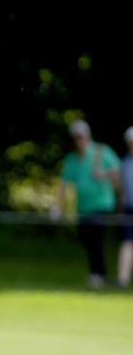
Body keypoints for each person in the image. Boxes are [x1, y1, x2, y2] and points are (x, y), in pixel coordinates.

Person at [52, 120, 120, 290]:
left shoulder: (102, 152)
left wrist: (103, 174)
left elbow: (119, 176)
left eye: (81, 137)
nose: (78, 141)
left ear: (88, 136)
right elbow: (63, 186)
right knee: (86, 238)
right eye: (75, 138)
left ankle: (99, 275)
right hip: (83, 207)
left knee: (96, 238)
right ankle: (97, 273)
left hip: (102, 204)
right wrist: (57, 206)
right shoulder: (72, 159)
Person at [118, 126, 133, 289]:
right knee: (128, 244)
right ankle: (123, 279)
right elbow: (123, 189)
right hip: (129, 208)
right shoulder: (126, 162)